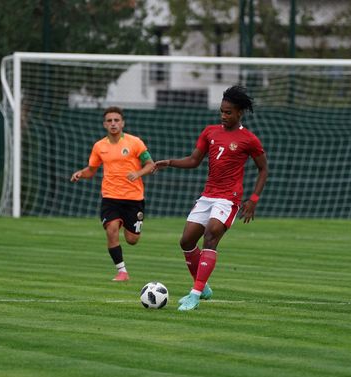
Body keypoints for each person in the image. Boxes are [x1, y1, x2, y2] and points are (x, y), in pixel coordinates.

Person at [153, 86, 269, 312]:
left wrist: (253, 199)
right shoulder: (210, 132)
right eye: (221, 111)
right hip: (208, 196)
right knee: (186, 241)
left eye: (228, 112)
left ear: (239, 113)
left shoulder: (249, 139)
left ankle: (195, 294)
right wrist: (168, 162)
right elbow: (194, 160)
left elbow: (263, 169)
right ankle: (203, 287)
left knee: (211, 236)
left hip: (229, 199)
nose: (223, 116)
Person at [71, 106, 155, 282]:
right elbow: (92, 170)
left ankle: (128, 224)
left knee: (132, 239)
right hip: (110, 197)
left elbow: (150, 165)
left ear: (122, 123)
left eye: (116, 120)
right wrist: (81, 173)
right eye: (109, 121)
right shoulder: (99, 146)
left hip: (134, 198)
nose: (113, 124)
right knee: (111, 230)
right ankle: (122, 272)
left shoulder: (135, 143)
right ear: (104, 125)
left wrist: (138, 173)